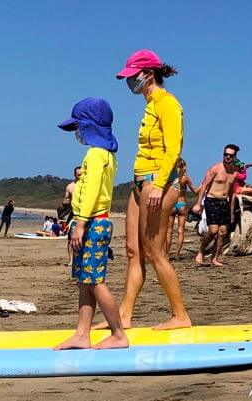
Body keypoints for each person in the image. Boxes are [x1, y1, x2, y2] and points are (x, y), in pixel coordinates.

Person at [95, 49, 191, 331]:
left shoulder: (168, 104)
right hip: (139, 184)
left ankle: (180, 315)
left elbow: (174, 148)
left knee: (154, 252)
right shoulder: (149, 104)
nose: (129, 82)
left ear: (148, 74)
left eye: (132, 77)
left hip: (157, 184)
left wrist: (160, 185)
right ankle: (124, 315)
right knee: (133, 252)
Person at [53, 97, 128, 350]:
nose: (77, 133)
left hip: (94, 223)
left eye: (78, 128)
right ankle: (82, 334)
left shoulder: (96, 154)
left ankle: (118, 334)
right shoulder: (104, 154)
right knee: (85, 282)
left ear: (89, 126)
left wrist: (81, 223)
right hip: (92, 222)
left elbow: (93, 189)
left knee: (95, 281)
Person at [192, 144, 239, 266]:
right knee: (213, 230)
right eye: (225, 154)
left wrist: (232, 210)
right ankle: (201, 252)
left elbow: (232, 193)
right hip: (211, 200)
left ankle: (214, 258)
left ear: (235, 157)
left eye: (230, 155)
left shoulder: (234, 173)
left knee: (222, 232)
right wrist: (198, 204)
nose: (227, 157)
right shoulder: (215, 169)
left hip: (224, 202)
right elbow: (203, 187)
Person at [165, 158, 198, 257]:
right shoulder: (185, 178)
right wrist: (203, 186)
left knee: (169, 230)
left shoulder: (171, 179)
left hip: (172, 204)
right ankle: (178, 253)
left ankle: (167, 252)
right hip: (182, 204)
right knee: (180, 230)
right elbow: (195, 192)